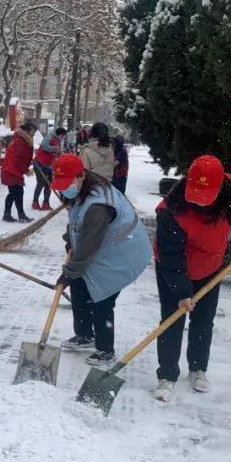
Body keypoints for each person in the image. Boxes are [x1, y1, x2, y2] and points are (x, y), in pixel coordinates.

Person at [153, 155, 231, 401]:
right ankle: (167, 375)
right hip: (174, 268)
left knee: (203, 320)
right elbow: (171, 256)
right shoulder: (171, 211)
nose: (198, 202)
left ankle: (198, 368)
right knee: (172, 319)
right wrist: (182, 293)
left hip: (210, 265)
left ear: (220, 187)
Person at [51, 154, 152, 366]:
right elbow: (78, 220)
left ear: (81, 175)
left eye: (67, 183)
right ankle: (85, 335)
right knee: (79, 287)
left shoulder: (98, 204)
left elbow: (89, 244)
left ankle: (106, 350)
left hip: (124, 251)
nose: (64, 189)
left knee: (102, 298)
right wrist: (71, 237)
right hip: (104, 245)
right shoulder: (82, 190)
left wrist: (68, 273)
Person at [0, 120, 36, 223]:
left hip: (10, 170)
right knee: (18, 192)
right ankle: (21, 215)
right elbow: (19, 158)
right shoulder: (21, 141)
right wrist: (25, 170)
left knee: (13, 193)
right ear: (27, 131)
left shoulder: (21, 139)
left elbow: (22, 157)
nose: (34, 133)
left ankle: (7, 215)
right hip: (12, 171)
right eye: (33, 131)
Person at [32, 127, 66, 210]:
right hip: (39, 163)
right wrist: (55, 149)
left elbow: (56, 154)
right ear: (59, 134)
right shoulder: (50, 137)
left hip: (48, 166)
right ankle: (35, 202)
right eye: (62, 135)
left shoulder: (58, 141)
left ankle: (46, 203)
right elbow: (44, 146)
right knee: (41, 183)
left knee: (49, 184)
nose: (63, 137)